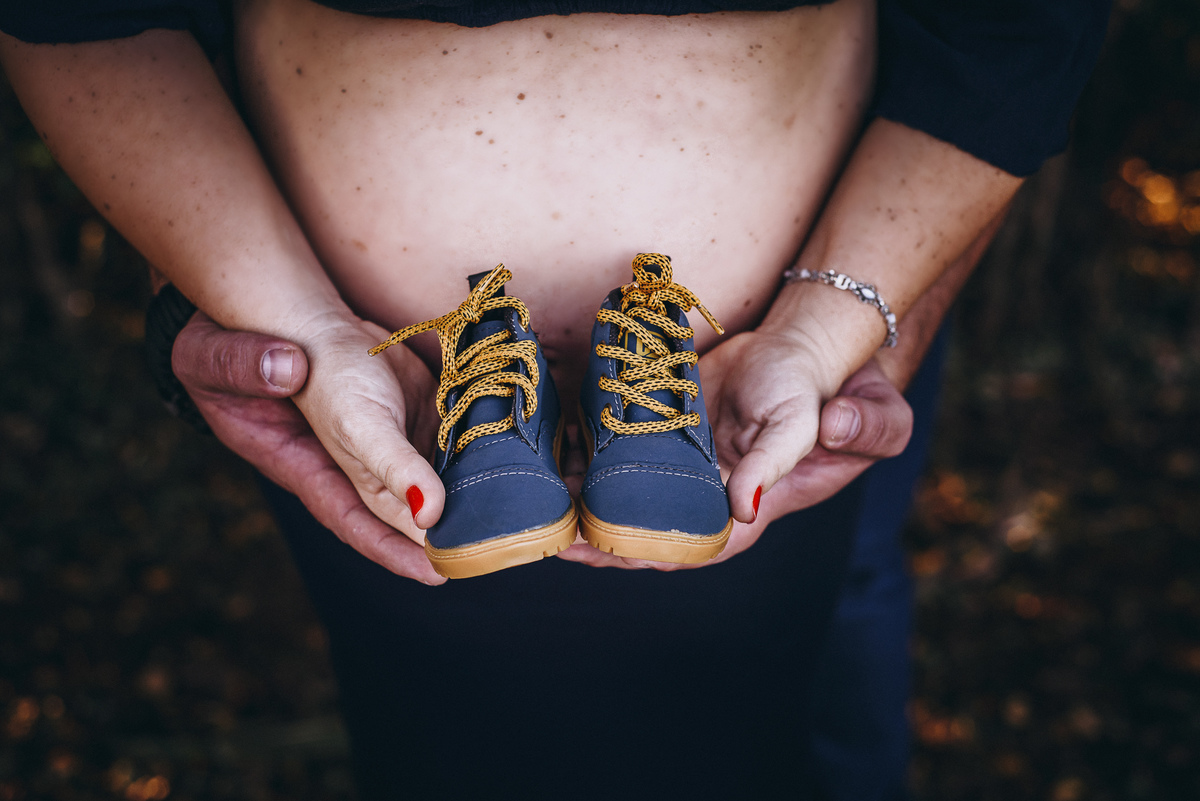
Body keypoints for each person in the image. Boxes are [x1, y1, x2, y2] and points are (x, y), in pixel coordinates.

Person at [0, 0, 1110, 796]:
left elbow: (1013, 28)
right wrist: (275, 320)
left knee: (798, 683)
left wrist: (850, 325)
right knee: (453, 748)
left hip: (784, 362)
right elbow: (77, 13)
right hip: (390, 406)